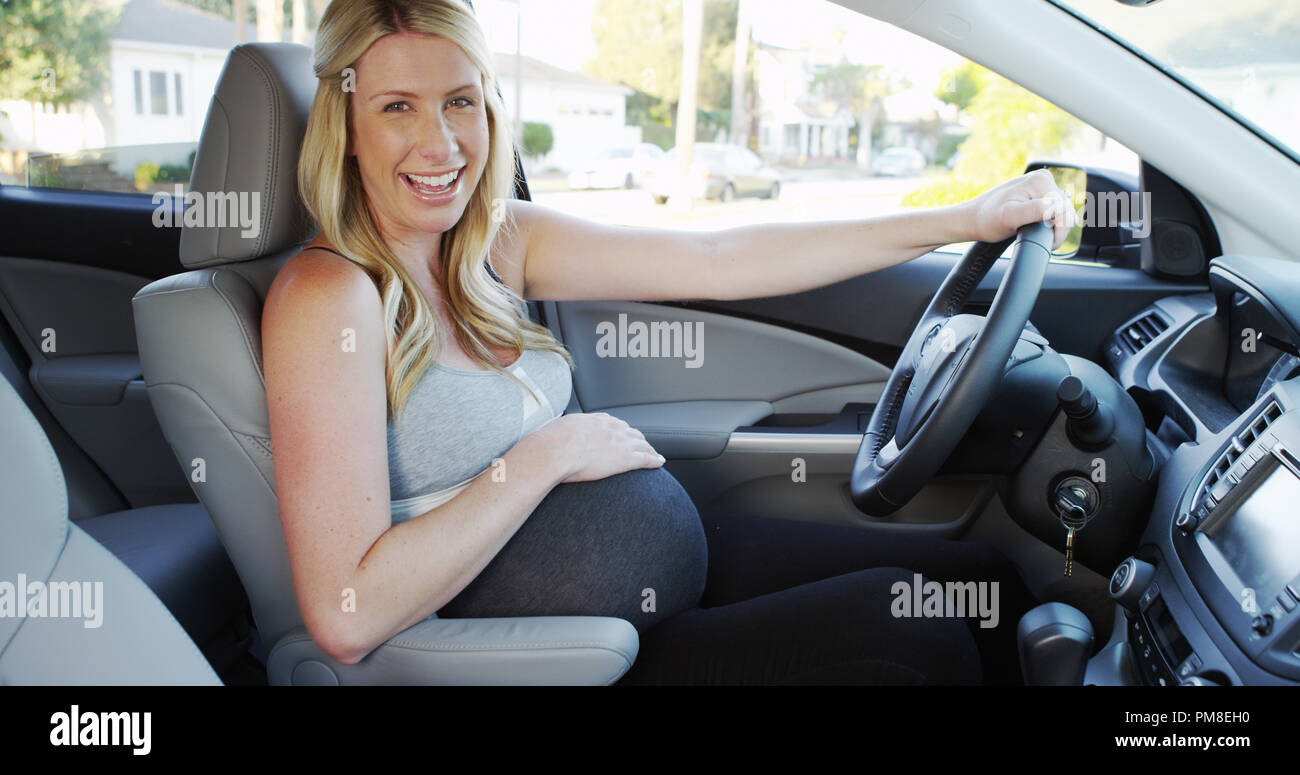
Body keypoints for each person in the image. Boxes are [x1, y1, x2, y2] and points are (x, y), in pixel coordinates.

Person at [263, 0, 1073, 684]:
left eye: (461, 101)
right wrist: (548, 453)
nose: (441, 145)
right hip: (572, 658)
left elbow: (717, 258)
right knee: (917, 638)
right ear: (346, 124)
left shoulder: (492, 245)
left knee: (978, 586)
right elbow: (347, 614)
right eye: (397, 106)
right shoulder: (329, 297)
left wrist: (967, 218)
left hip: (663, 583)